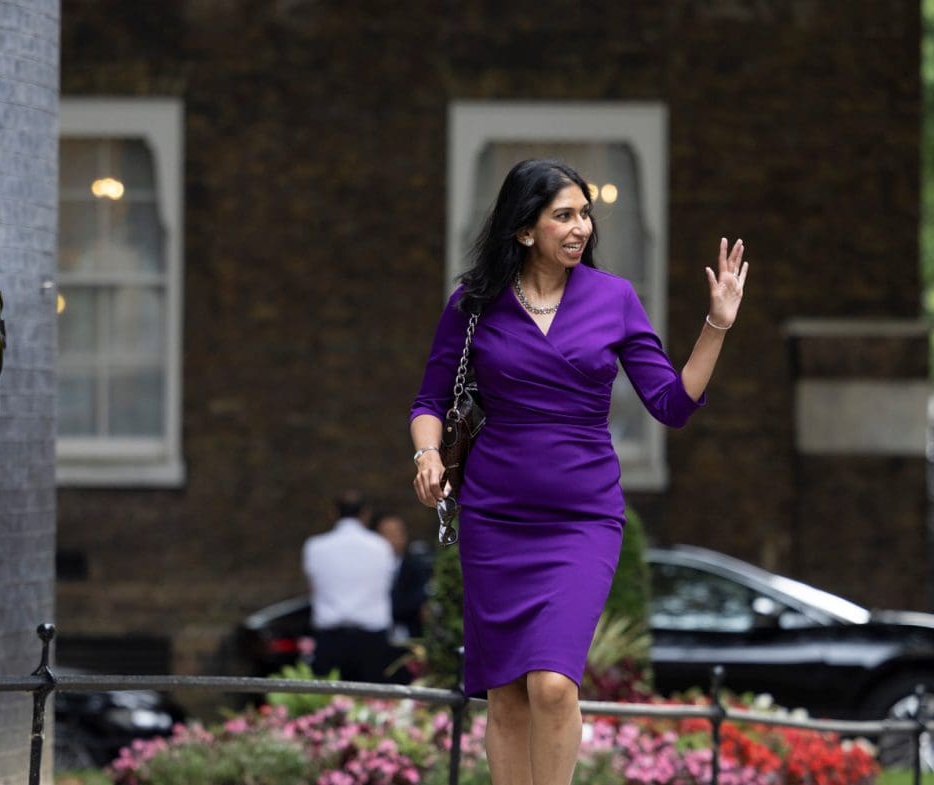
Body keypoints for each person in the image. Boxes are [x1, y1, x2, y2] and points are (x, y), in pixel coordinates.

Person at [410, 159, 746, 785]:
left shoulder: (612, 298)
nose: (580, 228)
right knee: (506, 693)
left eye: (585, 214)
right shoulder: (474, 306)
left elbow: (671, 405)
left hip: (582, 519)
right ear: (523, 229)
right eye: (564, 215)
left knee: (553, 684)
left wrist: (717, 325)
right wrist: (428, 455)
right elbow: (430, 401)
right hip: (494, 518)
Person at [302, 491, 397, 682]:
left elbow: (312, 586)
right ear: (366, 514)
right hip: (372, 642)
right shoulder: (381, 547)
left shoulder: (315, 547)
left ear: (334, 513)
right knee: (373, 706)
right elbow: (388, 584)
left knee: (330, 707)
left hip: (330, 641)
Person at [375, 512, 434, 642]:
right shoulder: (368, 567)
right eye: (385, 534)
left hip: (410, 633)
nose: (391, 540)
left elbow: (419, 599)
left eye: (395, 534)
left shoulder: (417, 567)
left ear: (404, 536)